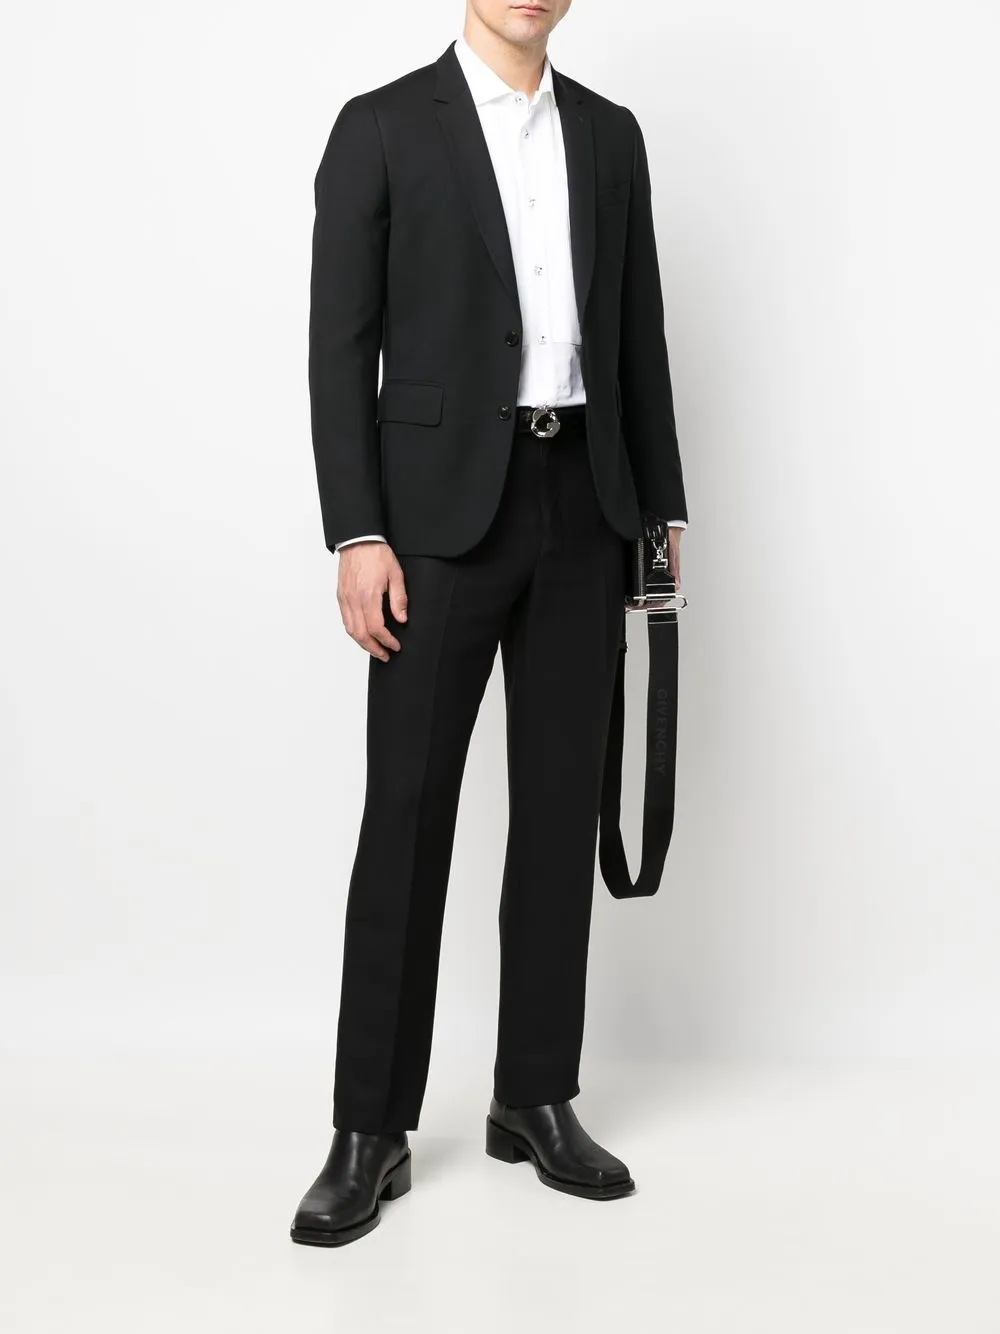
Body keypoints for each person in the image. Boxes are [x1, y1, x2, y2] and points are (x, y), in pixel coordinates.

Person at [290, 0, 688, 1247]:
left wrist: (660, 511)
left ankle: (535, 1093)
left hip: (585, 500)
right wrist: (357, 532)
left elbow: (638, 334)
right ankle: (370, 1128)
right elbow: (337, 345)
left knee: (560, 809)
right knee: (406, 814)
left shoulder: (610, 137)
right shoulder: (380, 129)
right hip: (432, 525)